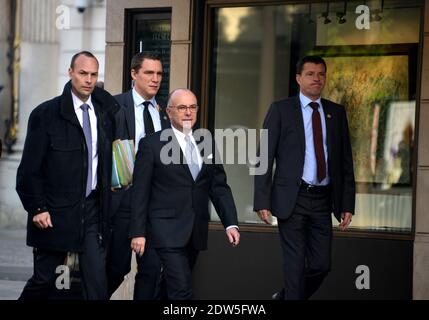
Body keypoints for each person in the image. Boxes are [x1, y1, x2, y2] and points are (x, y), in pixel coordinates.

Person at [16, 51, 119, 300]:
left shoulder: (106, 110)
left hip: (93, 211)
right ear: (70, 72)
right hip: (55, 211)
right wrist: (38, 207)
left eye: (94, 74)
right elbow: (29, 170)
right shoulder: (46, 114)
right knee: (44, 279)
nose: (89, 80)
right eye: (83, 73)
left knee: (96, 282)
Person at [254, 55, 356, 300]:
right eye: (310, 74)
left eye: (321, 74)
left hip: (323, 199)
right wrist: (262, 200)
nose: (316, 79)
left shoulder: (336, 112)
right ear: (298, 78)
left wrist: (346, 204)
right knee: (295, 266)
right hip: (293, 198)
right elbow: (263, 156)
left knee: (322, 264)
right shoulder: (281, 110)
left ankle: (286, 296)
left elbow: (345, 162)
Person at [130, 88, 240, 300]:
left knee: (168, 290)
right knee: (182, 290)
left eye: (192, 107)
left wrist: (231, 223)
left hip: (194, 232)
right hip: (164, 231)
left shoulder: (206, 141)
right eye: (182, 107)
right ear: (169, 112)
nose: (188, 112)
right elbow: (140, 191)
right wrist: (137, 232)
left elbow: (218, 186)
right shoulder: (152, 144)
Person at [107, 51, 170, 299]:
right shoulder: (114, 106)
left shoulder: (166, 113)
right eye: (149, 73)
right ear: (134, 74)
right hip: (122, 200)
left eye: (159, 74)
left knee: (151, 273)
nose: (155, 79)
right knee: (115, 269)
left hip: (155, 205)